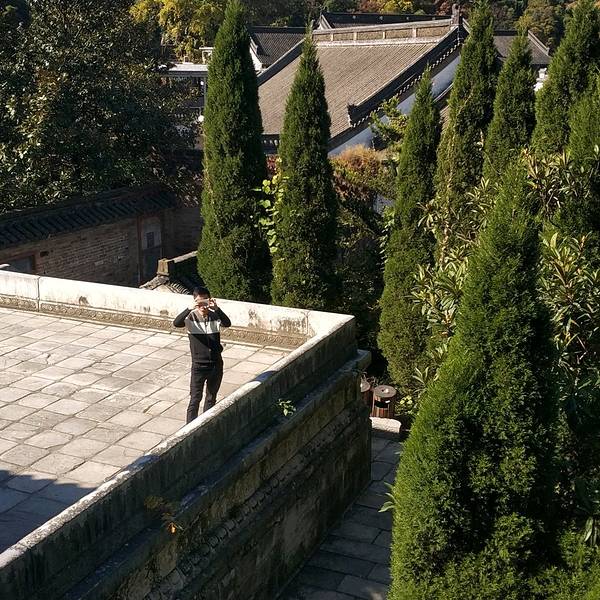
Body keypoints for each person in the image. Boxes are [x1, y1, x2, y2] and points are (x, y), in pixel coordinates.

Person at [173, 286, 231, 423]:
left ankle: (206, 425)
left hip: (216, 364)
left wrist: (217, 309)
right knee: (195, 399)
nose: (203, 306)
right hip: (199, 366)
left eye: (205, 301)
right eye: (199, 302)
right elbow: (176, 323)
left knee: (211, 398)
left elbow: (227, 323)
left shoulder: (214, 316)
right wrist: (189, 308)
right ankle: (190, 428)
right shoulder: (191, 317)